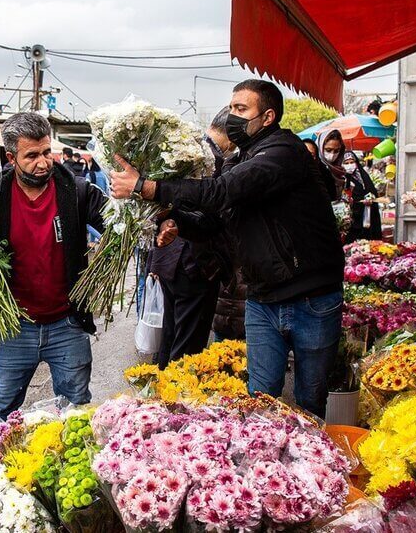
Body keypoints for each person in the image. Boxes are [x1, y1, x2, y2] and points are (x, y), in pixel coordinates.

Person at [109, 79, 344, 418]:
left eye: (241, 109)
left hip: (310, 297)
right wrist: (176, 221)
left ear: (267, 117)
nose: (232, 115)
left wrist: (148, 187)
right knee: (259, 401)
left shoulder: (282, 152)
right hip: (263, 298)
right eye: (231, 107)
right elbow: (215, 221)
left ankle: (312, 464)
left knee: (309, 400)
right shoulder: (242, 159)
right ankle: (266, 465)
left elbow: (220, 191)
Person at [0, 113, 107, 420]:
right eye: (31, 156)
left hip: (67, 326)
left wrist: (144, 210)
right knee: (0, 415)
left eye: (47, 152)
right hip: (12, 327)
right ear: (11, 157)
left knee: (77, 414)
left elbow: (114, 222)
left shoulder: (77, 190)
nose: (43, 162)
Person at [147, 107, 233, 368]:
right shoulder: (208, 160)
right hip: (193, 264)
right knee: (187, 348)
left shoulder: (183, 150)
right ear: (231, 135)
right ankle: (175, 401)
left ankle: (161, 396)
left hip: (171, 261)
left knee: (171, 337)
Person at [342, 151, 382, 242]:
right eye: (346, 163)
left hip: (368, 216)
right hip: (352, 219)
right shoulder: (342, 178)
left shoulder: (363, 176)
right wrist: (358, 202)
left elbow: (372, 190)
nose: (350, 165)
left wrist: (371, 197)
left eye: (352, 162)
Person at [315, 129, 345, 202]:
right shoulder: (315, 170)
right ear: (320, 148)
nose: (332, 154)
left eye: (336, 151)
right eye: (328, 150)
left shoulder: (340, 171)